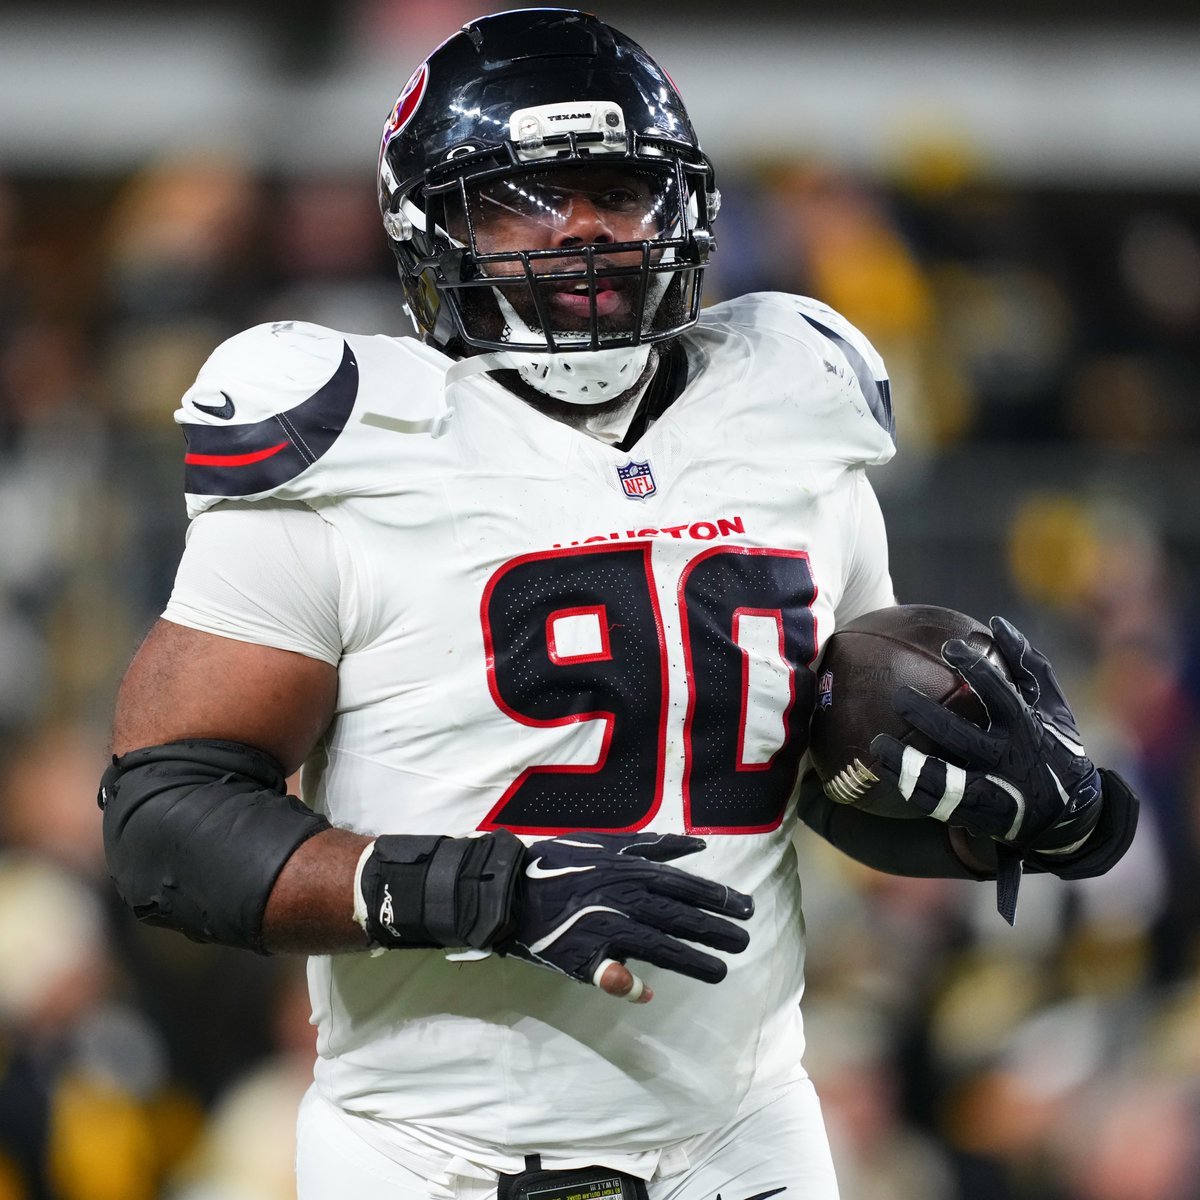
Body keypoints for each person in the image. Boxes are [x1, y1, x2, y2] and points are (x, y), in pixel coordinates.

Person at [98, 10, 1139, 1200]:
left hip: (742, 1136)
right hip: (429, 1153)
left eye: (618, 190)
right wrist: (488, 893)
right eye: (529, 198)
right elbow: (166, 821)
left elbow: (814, 770)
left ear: (682, 211)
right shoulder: (352, 441)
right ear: (435, 227)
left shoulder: (792, 409)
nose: (585, 227)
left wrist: (1031, 815)